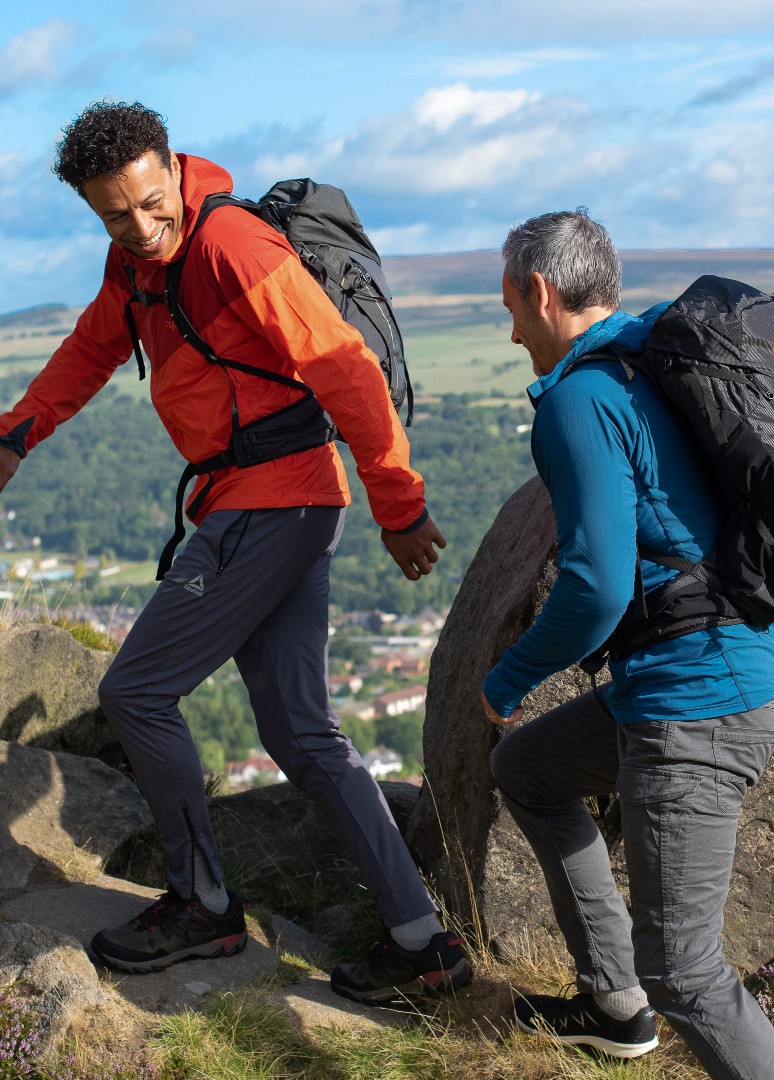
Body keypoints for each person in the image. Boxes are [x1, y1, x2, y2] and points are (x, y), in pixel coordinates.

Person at [0, 100, 469, 1004]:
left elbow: (342, 366)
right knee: (300, 732)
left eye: (147, 202)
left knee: (134, 691)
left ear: (171, 168)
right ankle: (422, 939)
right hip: (259, 498)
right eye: (112, 214)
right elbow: (94, 346)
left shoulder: (231, 247)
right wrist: (20, 431)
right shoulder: (135, 262)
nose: (139, 227)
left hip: (274, 500)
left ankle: (200, 903)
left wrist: (398, 503)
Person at [482, 210, 774, 1079]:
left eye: (509, 306)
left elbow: (594, 585)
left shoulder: (580, 399)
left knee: (686, 974)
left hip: (695, 700)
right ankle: (612, 1006)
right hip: (733, 660)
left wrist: (504, 683)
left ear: (539, 292)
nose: (509, 331)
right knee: (527, 771)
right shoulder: (652, 355)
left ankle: (641, 995)